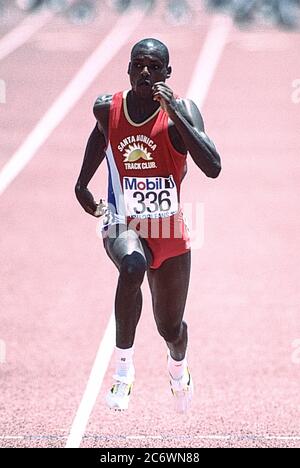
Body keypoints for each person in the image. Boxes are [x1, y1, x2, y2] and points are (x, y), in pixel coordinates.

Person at [75, 38, 221, 413]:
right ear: (128, 69)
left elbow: (212, 166)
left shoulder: (181, 110)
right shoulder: (108, 108)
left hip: (169, 231)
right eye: (139, 65)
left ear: (167, 74)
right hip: (122, 222)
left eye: (154, 67)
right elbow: (100, 136)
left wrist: (174, 111)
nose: (145, 72)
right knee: (132, 265)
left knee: (170, 329)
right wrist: (82, 185)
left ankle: (178, 368)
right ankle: (123, 372)